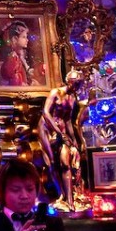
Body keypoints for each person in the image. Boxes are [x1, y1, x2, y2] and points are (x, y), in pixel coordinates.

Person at [38, 69, 90, 212]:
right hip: (47, 128)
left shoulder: (72, 99)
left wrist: (73, 139)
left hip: (61, 130)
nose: (77, 86)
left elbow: (67, 120)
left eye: (79, 84)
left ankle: (69, 200)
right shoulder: (56, 92)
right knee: (51, 162)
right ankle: (60, 194)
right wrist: (58, 131)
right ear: (69, 81)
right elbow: (46, 112)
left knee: (65, 162)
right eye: (76, 83)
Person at [0, 20, 36, 86]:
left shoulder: (20, 57)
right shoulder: (13, 58)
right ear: (15, 39)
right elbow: (15, 81)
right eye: (24, 37)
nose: (27, 40)